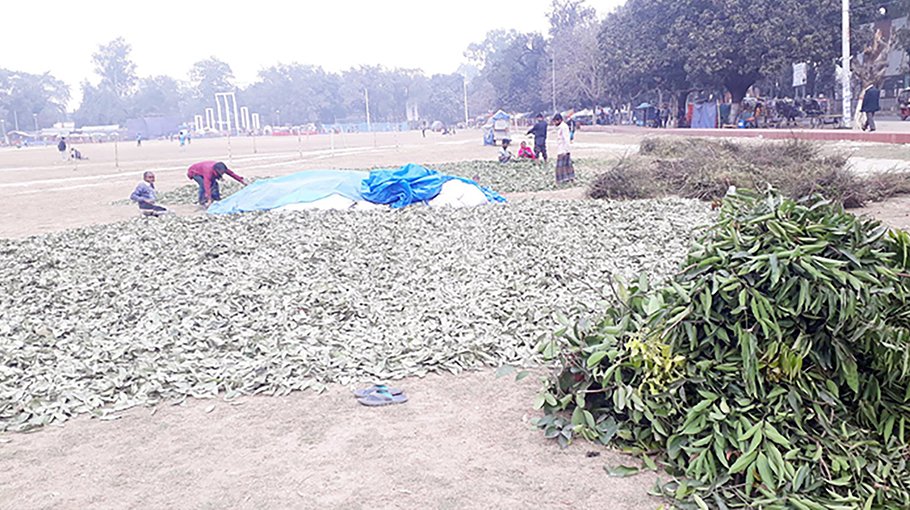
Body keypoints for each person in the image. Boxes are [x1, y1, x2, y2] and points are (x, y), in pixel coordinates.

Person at [553, 113, 575, 184]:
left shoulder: (564, 127)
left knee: (561, 166)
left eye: (555, 121)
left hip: (564, 149)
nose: (555, 123)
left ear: (559, 120)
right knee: (566, 165)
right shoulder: (560, 127)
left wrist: (567, 150)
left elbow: (566, 139)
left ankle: (563, 179)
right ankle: (567, 179)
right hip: (561, 148)